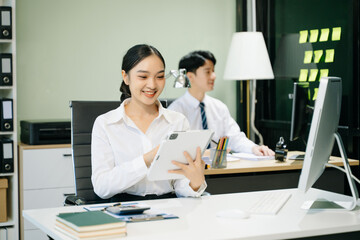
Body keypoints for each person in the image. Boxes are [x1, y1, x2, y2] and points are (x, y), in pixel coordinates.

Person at [91, 44, 207, 201]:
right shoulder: (106, 124)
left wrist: (195, 182)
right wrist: (148, 159)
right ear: (125, 77)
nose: (152, 85)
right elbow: (102, 187)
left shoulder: (177, 121)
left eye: (159, 77)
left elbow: (180, 185)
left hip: (170, 207)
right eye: (143, 77)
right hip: (124, 209)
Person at [168, 50, 274, 156]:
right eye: (208, 72)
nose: (214, 76)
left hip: (219, 167)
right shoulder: (176, 111)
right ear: (190, 76)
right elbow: (175, 150)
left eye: (213, 71)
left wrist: (254, 148)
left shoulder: (219, 107)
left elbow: (235, 138)